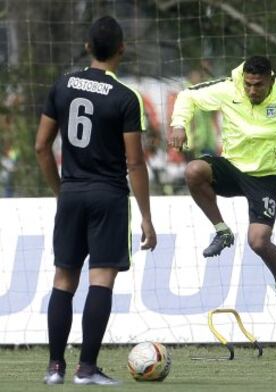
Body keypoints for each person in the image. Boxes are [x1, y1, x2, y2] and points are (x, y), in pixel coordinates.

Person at [169, 55, 276, 324]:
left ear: (270, 80)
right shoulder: (230, 89)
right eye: (248, 84)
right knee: (193, 171)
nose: (251, 91)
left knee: (258, 241)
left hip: (265, 178)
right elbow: (187, 95)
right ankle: (222, 231)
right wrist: (179, 124)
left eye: (258, 85)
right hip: (231, 167)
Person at [35, 16, 156, 385]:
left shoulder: (63, 85)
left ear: (87, 46)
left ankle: (54, 367)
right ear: (122, 48)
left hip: (71, 193)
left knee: (63, 280)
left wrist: (61, 191)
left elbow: (41, 146)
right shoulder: (124, 97)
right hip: (108, 196)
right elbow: (134, 161)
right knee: (100, 281)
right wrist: (147, 218)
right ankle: (86, 368)